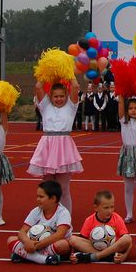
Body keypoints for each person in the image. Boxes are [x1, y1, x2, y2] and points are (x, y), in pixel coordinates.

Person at [28, 79, 83, 214]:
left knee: (63, 188)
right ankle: (47, 216)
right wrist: (49, 72)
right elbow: (38, 86)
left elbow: (75, 86)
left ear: (66, 96)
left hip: (64, 148)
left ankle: (65, 219)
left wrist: (66, 70)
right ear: (50, 97)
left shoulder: (71, 107)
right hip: (47, 147)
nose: (59, 99)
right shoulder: (45, 106)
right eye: (56, 96)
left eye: (62, 96)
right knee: (47, 188)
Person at [6, 180, 72, 265]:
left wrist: (36, 246)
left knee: (63, 245)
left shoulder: (63, 213)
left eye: (41, 197)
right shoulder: (36, 211)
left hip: (50, 245)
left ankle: (26, 255)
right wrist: (27, 242)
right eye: (37, 196)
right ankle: (44, 259)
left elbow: (59, 235)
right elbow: (22, 232)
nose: (38, 199)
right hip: (35, 245)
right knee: (10, 239)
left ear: (53, 199)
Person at [70, 190, 132, 264]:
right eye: (106, 208)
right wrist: (73, 256)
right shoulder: (89, 220)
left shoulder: (117, 219)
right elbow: (81, 242)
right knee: (72, 239)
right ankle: (107, 256)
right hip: (96, 248)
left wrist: (124, 257)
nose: (110, 211)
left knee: (127, 238)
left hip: (113, 247)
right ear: (96, 208)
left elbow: (129, 243)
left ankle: (96, 256)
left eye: (112, 207)